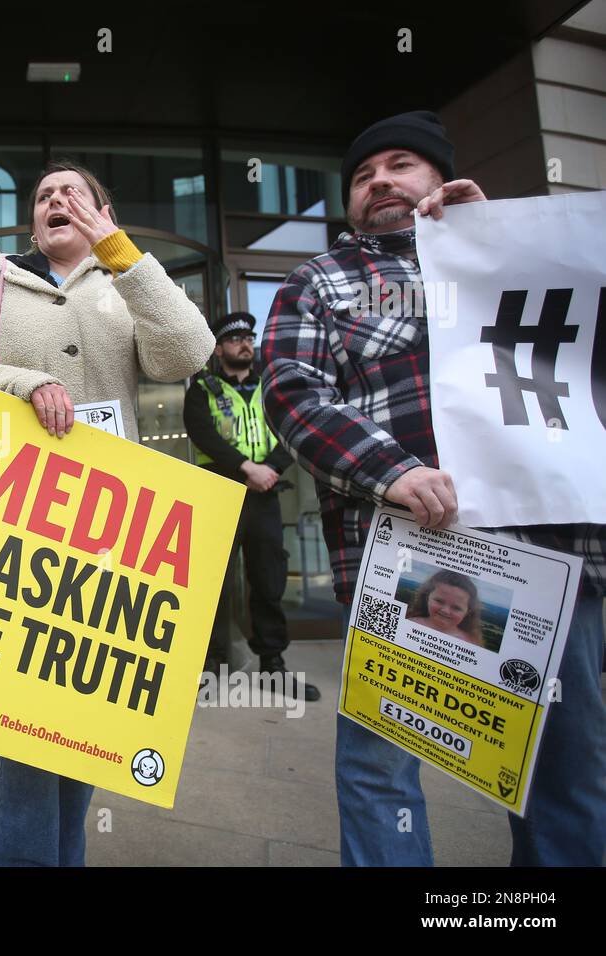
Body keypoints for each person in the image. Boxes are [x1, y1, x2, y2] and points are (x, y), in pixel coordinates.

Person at [260, 110, 606, 866]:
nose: (378, 181)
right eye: (361, 175)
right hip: (408, 557)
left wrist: (508, 244)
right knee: (381, 770)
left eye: (399, 166)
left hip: (552, 558)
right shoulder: (321, 281)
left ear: (441, 178)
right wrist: (394, 470)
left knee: (569, 774)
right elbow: (290, 394)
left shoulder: (531, 260)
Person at [0, 160, 215, 867]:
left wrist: (123, 253)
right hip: (17, 523)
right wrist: (24, 383)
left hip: (110, 534)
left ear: (102, 212)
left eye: (72, 193)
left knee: (87, 728)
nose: (56, 200)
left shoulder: (126, 283)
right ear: (32, 220)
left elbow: (190, 352)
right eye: (43, 195)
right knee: (25, 738)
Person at [184, 311, 319, 701]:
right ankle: (208, 665)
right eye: (235, 338)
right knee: (212, 584)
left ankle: (272, 666)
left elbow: (290, 430)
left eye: (249, 337)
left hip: (265, 494)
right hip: (220, 492)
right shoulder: (204, 389)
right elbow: (203, 433)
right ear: (220, 347)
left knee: (269, 581)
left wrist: (270, 470)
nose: (245, 343)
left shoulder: (271, 389)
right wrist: (246, 468)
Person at [405, 570, 482, 646]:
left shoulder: (469, 643)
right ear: (427, 597)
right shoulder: (409, 623)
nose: (445, 611)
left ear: (467, 612)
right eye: (439, 601)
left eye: (456, 608)